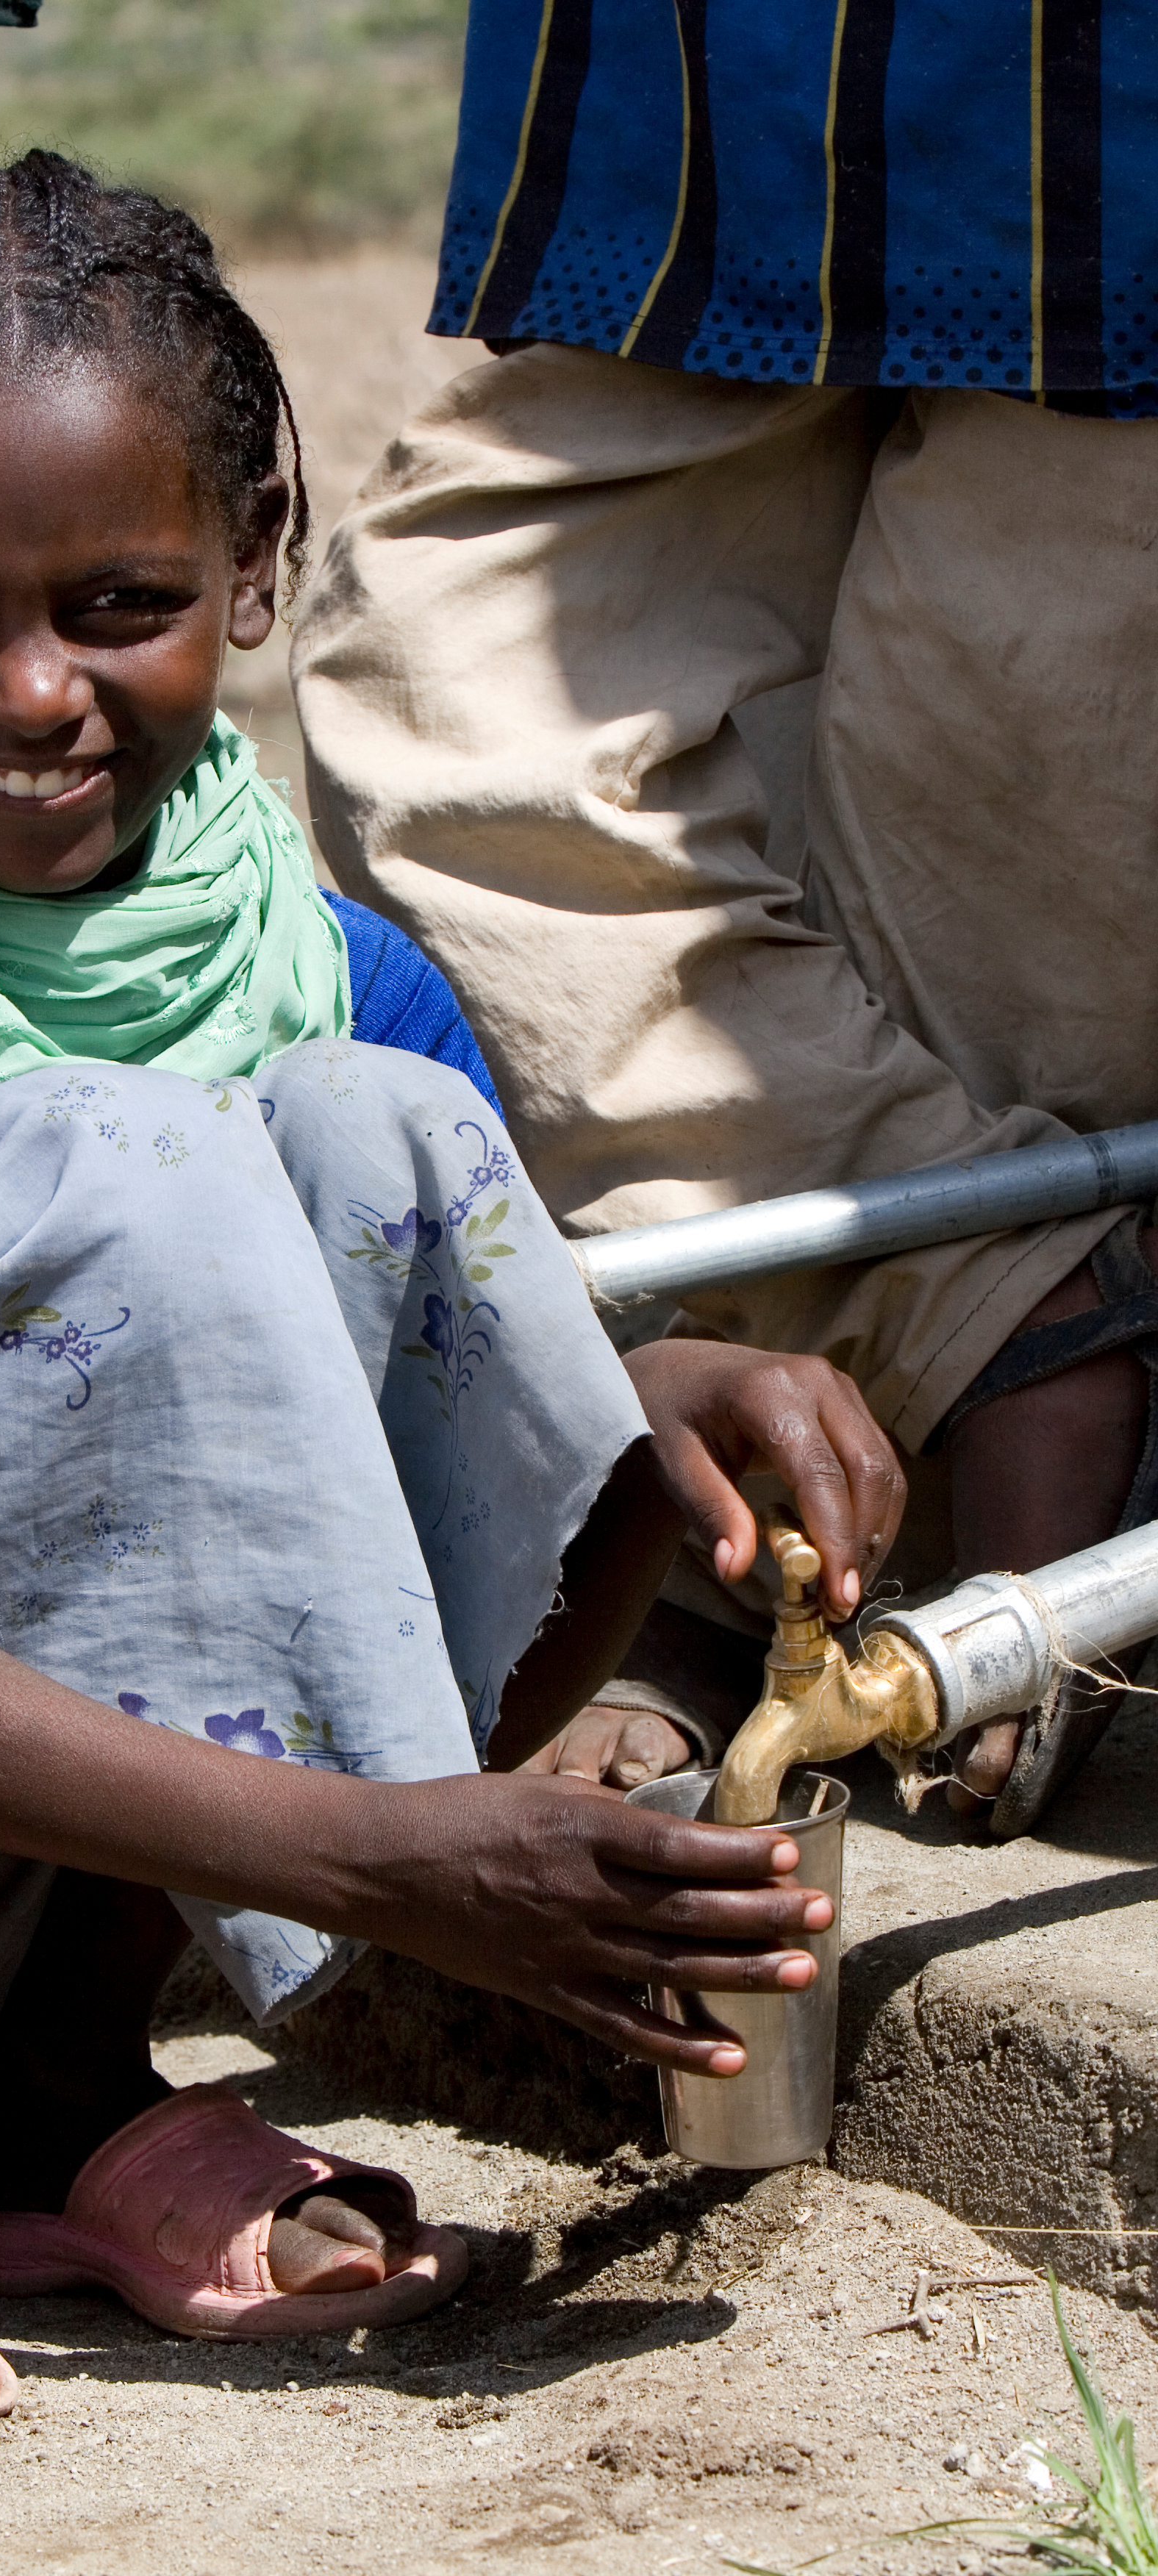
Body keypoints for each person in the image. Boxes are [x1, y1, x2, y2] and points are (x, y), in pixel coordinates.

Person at [0, 157, 900, 2427]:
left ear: (253, 569)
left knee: (367, 1150)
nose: (37, 691)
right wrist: (383, 1863)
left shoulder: (333, 973)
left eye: (120, 601)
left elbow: (382, 1484)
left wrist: (667, 1418)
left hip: (8, 1899)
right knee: (100, 1169)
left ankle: (46, 2089)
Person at [290, 2, 1158, 1840]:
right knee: (447, 680)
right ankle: (986, 1328)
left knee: (1022, 724)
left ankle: (880, 1545)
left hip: (1122, 131)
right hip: (730, 82)